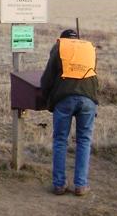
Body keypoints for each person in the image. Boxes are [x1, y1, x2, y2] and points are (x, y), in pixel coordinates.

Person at [40, 29, 98, 196]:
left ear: (62, 39)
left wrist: (46, 98)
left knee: (60, 140)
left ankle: (59, 185)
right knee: (84, 140)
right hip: (88, 99)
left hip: (64, 99)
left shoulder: (59, 47)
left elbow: (47, 78)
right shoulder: (89, 48)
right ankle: (80, 185)